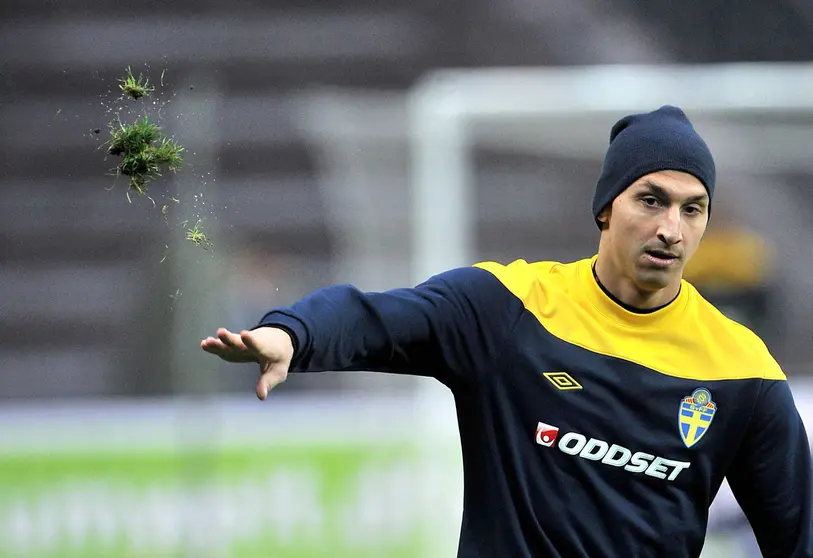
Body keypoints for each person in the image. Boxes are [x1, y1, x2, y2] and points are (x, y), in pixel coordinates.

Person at [201, 106, 813, 557]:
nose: (672, 229)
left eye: (692, 207)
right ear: (606, 207)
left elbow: (797, 535)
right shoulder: (511, 307)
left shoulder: (741, 369)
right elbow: (376, 316)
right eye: (650, 200)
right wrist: (290, 335)